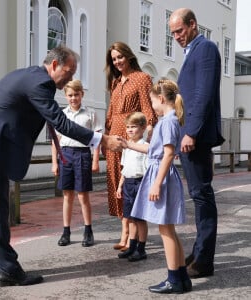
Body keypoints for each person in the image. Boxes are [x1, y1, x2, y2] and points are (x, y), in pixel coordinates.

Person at [0, 45, 122, 287]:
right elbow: (61, 123)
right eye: (69, 71)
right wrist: (102, 139)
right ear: (55, 65)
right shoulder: (40, 83)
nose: (71, 78)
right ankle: (8, 270)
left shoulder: (30, 75)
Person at [169, 8, 225, 278]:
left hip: (197, 136)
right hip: (191, 135)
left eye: (180, 30)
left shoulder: (206, 48)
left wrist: (190, 132)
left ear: (193, 25)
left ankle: (204, 260)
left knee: (202, 197)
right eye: (173, 33)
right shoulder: (192, 50)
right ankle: (199, 252)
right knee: (199, 196)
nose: (177, 37)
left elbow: (203, 95)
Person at [123, 79, 192, 294]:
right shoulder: (168, 120)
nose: (152, 107)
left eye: (153, 102)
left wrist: (156, 184)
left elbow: (169, 154)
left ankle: (174, 279)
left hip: (161, 177)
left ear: (161, 99)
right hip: (160, 173)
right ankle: (181, 278)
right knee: (168, 229)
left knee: (165, 230)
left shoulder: (167, 121)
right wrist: (127, 144)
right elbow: (155, 152)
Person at [104, 41, 157, 251]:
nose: (117, 61)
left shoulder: (142, 78)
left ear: (129, 56)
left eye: (120, 57)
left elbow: (147, 109)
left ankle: (131, 235)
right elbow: (110, 113)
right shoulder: (115, 82)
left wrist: (150, 132)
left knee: (131, 183)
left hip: (131, 137)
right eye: (114, 59)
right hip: (113, 138)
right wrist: (105, 137)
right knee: (117, 183)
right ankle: (124, 231)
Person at [51, 79, 102, 247]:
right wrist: (55, 162)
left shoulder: (90, 114)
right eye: (70, 95)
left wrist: (95, 160)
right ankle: (66, 231)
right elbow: (55, 141)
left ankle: (88, 231)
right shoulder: (62, 114)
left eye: (76, 95)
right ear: (65, 96)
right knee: (67, 195)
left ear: (82, 94)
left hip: (82, 154)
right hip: (65, 154)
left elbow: (97, 139)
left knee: (83, 195)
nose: (73, 98)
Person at [116, 112, 149, 261]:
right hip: (128, 184)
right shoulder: (126, 147)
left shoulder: (145, 147)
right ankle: (132, 246)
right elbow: (125, 168)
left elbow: (148, 170)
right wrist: (120, 186)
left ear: (142, 129)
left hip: (140, 183)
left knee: (140, 219)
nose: (129, 130)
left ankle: (141, 249)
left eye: (133, 127)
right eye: (128, 127)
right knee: (130, 218)